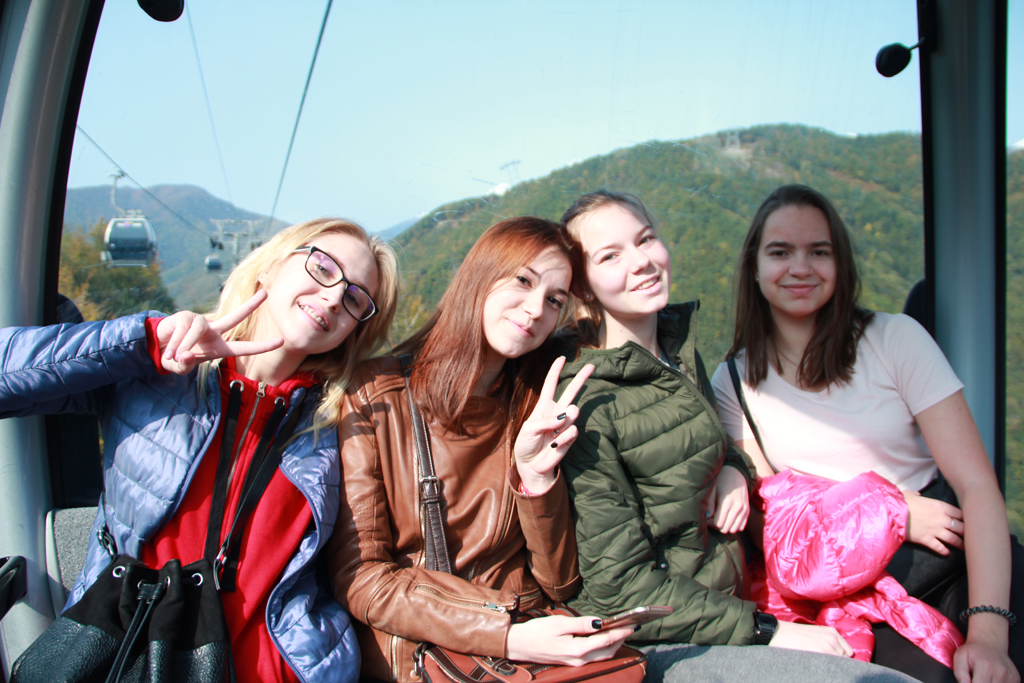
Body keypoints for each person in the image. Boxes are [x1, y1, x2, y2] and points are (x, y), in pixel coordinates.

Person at [0, 217, 398, 683]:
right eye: (323, 268)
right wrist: (146, 341)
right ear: (269, 267)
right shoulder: (157, 373)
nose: (332, 297)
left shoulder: (341, 425)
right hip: (131, 651)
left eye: (354, 298)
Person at [554, 189, 919, 683]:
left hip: (726, 604)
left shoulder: (675, 356)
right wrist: (767, 631)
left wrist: (732, 469)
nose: (641, 261)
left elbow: (714, 447)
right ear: (584, 287)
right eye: (610, 256)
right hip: (661, 641)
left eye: (645, 239)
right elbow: (618, 591)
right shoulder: (587, 401)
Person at [710, 183, 1020, 683]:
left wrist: (988, 633)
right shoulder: (734, 382)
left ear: (841, 264)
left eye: (819, 252)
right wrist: (892, 513)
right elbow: (778, 517)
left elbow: (977, 485)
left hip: (952, 554)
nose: (801, 267)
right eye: (780, 252)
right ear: (754, 267)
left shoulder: (895, 340)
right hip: (854, 586)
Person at [327, 216, 636, 683]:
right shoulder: (375, 394)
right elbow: (362, 578)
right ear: (479, 276)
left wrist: (535, 479)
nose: (535, 309)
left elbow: (558, 583)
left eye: (554, 300)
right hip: (430, 655)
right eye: (523, 281)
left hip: (529, 646)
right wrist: (505, 635)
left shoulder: (536, 403)